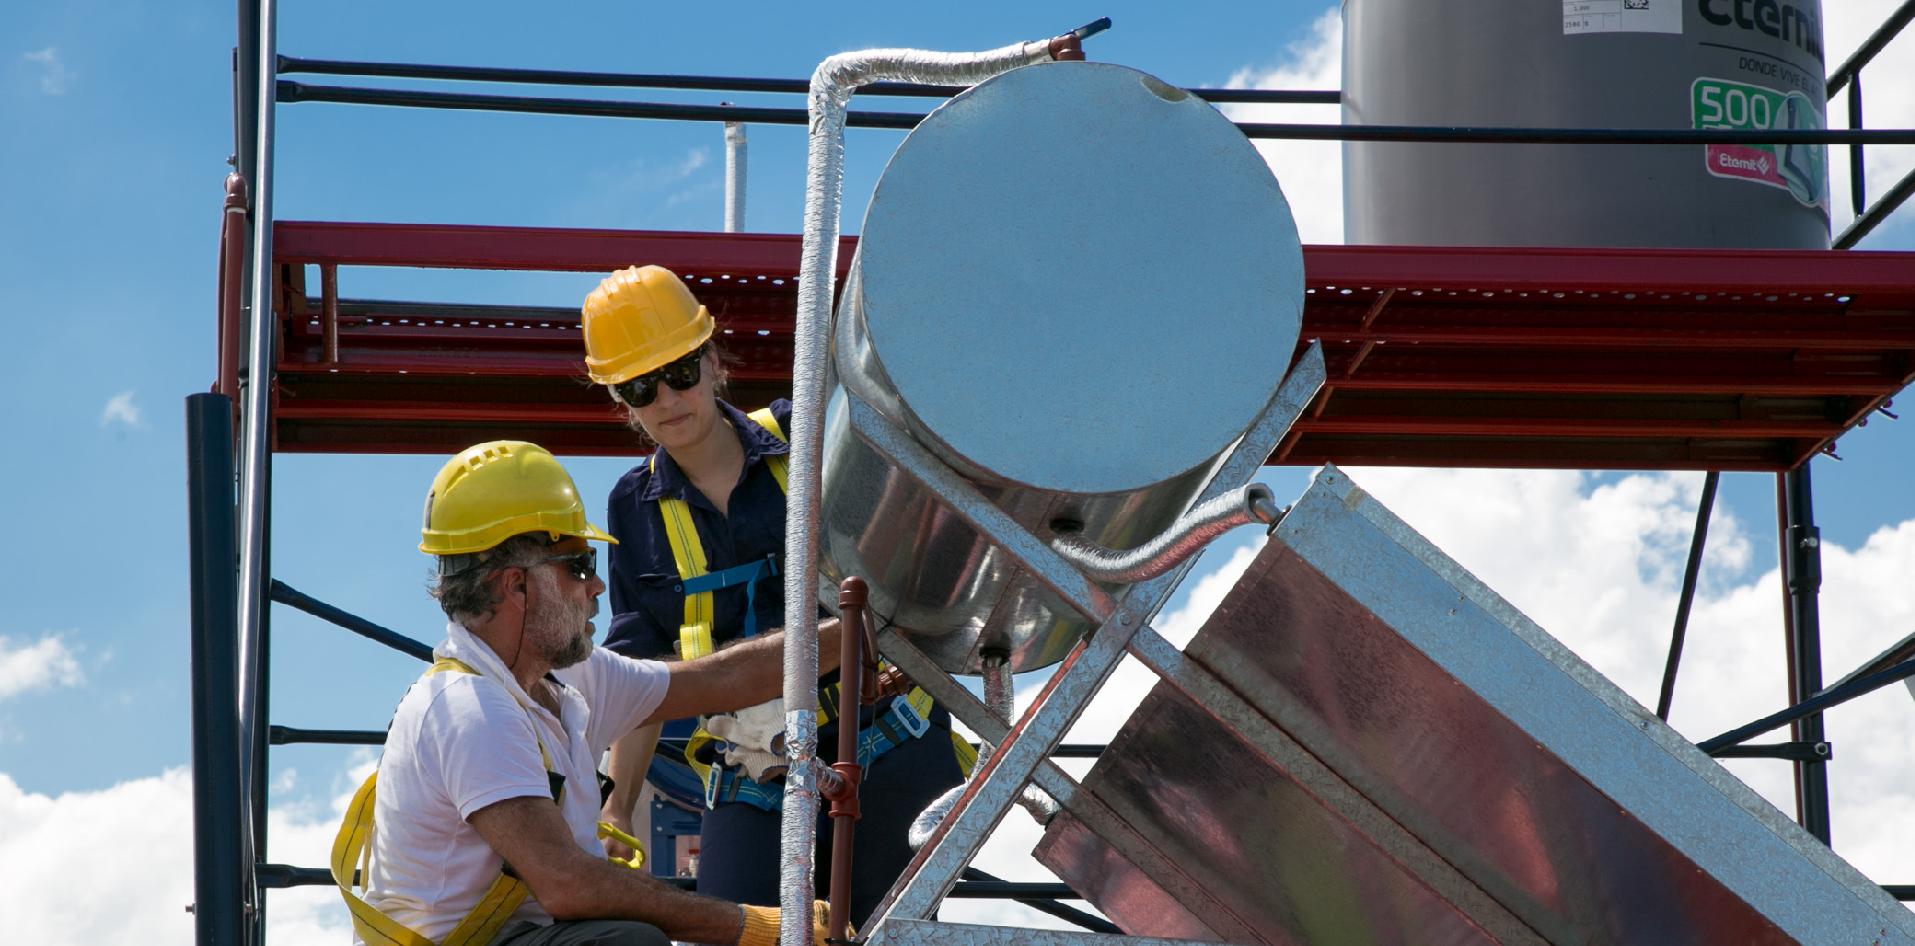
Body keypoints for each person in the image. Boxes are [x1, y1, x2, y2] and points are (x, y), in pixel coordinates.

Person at [580, 265, 972, 927]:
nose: (667, 399)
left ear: (710, 362)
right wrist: (616, 807)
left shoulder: (811, 438)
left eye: (678, 372)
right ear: (622, 401)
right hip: (753, 773)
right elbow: (641, 670)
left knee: (895, 933)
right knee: (737, 933)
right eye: (640, 389)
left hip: (887, 741)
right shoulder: (633, 508)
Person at [333, 439, 841, 946]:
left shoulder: (570, 679)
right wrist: (757, 927)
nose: (596, 586)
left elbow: (720, 679)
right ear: (516, 587)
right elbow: (567, 884)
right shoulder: (470, 709)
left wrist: (864, 628)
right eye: (578, 564)